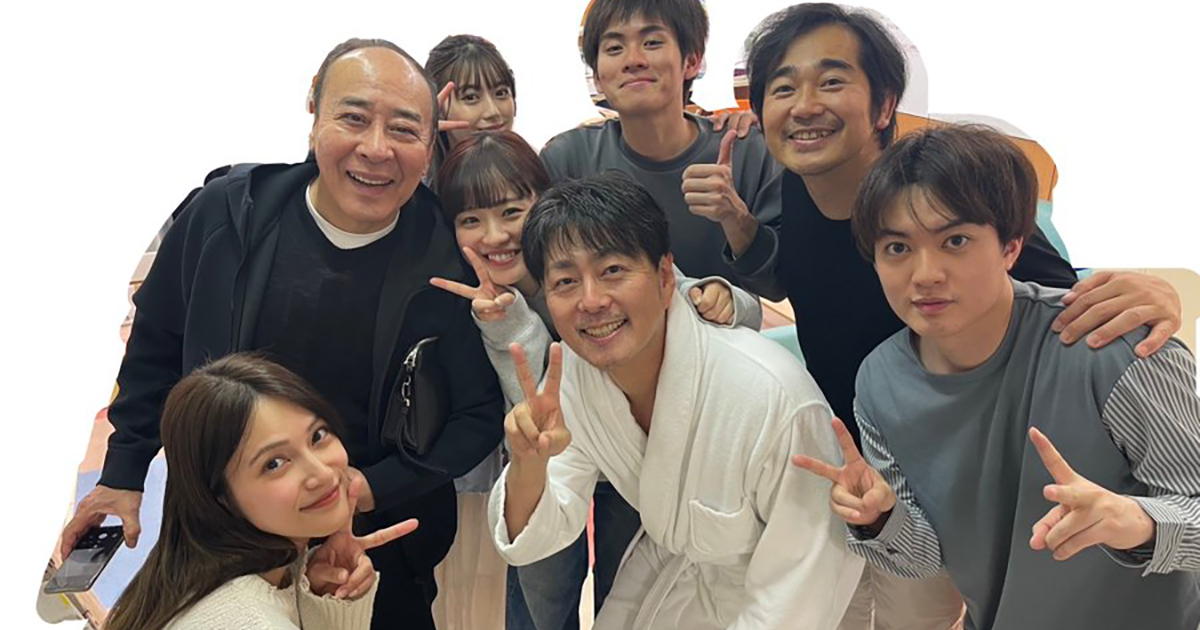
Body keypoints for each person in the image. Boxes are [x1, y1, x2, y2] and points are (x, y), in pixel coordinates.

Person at [739, 4, 1186, 627]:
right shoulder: (797, 187)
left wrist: (1153, 297)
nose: (805, 105)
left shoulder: (952, 191)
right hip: (876, 457)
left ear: (885, 103)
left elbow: (1058, 300)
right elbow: (805, 284)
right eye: (783, 88)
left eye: (832, 80)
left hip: (993, 468)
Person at [60, 38, 504, 630]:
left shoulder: (449, 258)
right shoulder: (228, 214)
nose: (376, 149)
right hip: (223, 535)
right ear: (313, 110)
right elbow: (156, 345)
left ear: (430, 143)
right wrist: (124, 470)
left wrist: (370, 488)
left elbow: (477, 413)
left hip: (373, 551)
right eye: (353, 118)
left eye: (403, 129)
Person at [795, 123, 1200, 629]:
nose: (925, 274)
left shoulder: (1113, 350)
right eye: (897, 248)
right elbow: (927, 558)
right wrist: (880, 519)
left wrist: (1139, 523)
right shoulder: (880, 382)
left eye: (955, 240)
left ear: (1011, 246)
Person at [488, 171, 862, 630]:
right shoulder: (576, 379)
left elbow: (802, 582)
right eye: (565, 281)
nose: (591, 301)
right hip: (675, 572)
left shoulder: (771, 397)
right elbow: (541, 532)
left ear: (666, 276)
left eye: (612, 271)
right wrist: (528, 464)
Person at [428, 130, 762, 629]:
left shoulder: (588, 254)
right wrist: (507, 325)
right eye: (471, 220)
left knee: (627, 589)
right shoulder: (474, 302)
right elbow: (541, 413)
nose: (494, 236)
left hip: (632, 462)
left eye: (511, 211)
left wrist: (725, 297)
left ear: (541, 202)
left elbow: (711, 303)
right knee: (542, 596)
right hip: (553, 465)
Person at [104, 354, 418, 630]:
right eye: (274, 463)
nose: (322, 473)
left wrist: (325, 599)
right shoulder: (245, 618)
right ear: (219, 496)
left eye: (318, 436)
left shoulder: (196, 577)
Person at [425, 34, 518, 181]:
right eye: (471, 97)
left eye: (501, 93)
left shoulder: (542, 172)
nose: (492, 111)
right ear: (438, 109)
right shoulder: (414, 187)